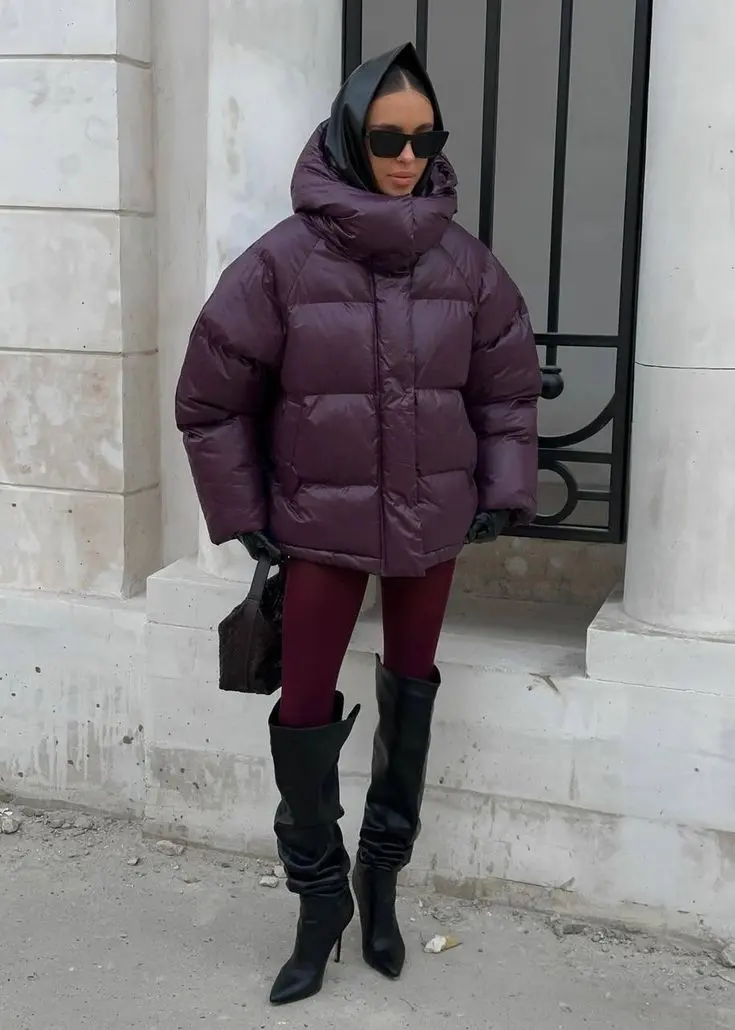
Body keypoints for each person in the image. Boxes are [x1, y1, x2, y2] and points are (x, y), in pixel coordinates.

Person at [176, 43, 540, 1006]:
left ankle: (381, 882)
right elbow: (209, 398)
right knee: (302, 710)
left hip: (431, 523)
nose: (408, 157)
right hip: (319, 524)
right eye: (388, 138)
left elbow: (506, 387)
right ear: (348, 136)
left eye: (425, 139)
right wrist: (244, 514)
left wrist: (501, 487)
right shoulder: (282, 262)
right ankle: (318, 900)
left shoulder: (466, 264)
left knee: (410, 696)